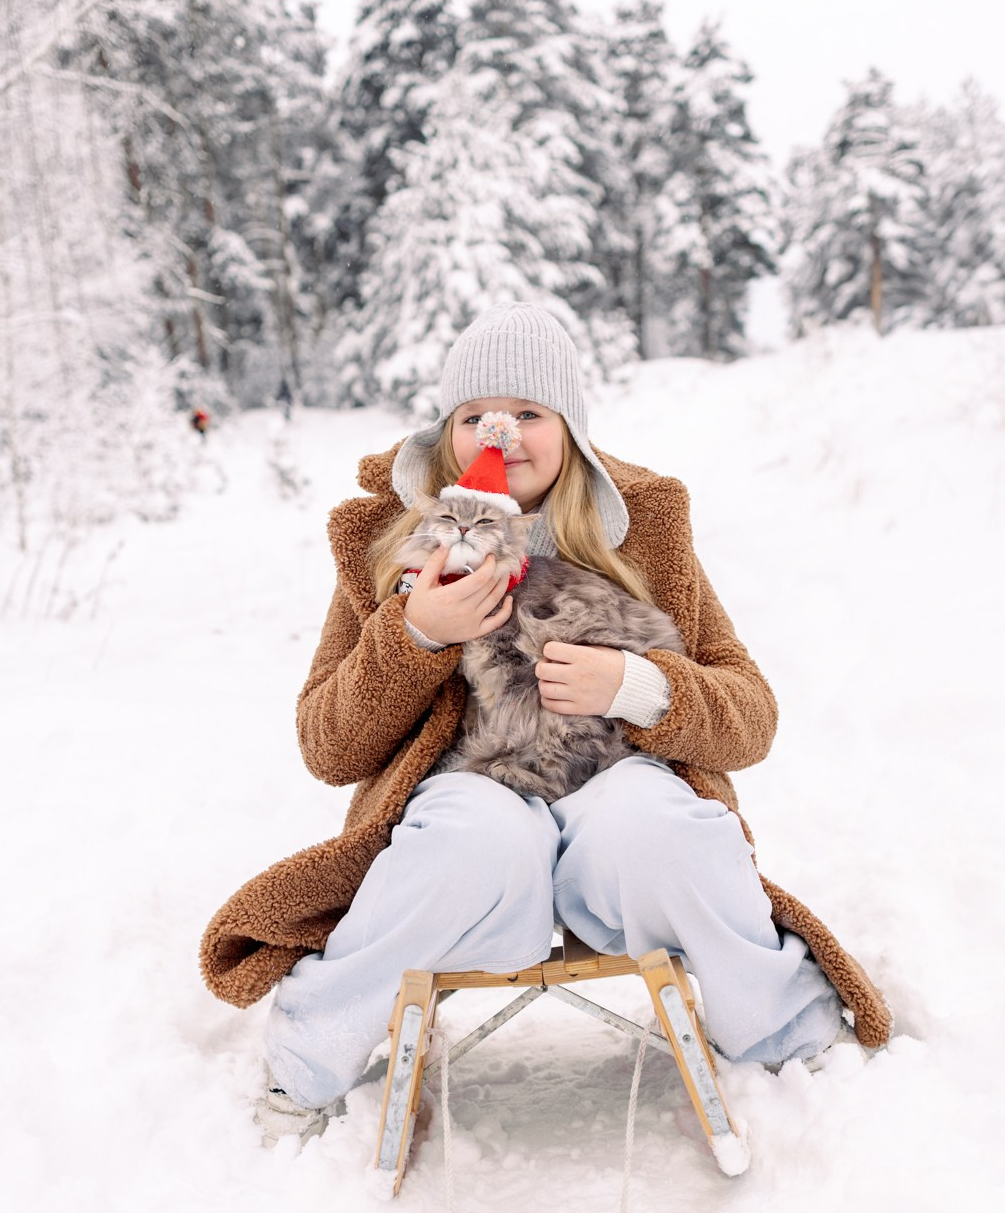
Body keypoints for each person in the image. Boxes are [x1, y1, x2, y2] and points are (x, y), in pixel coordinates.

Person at [198, 302, 892, 1143]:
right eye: (475, 416)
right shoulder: (393, 546)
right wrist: (416, 635)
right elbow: (327, 747)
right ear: (445, 431)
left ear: (569, 428)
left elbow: (750, 718)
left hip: (615, 808)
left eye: (528, 413)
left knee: (660, 823)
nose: (504, 435)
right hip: (474, 809)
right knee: (466, 835)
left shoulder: (643, 529)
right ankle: (310, 1061)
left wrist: (637, 685)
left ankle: (788, 1041)